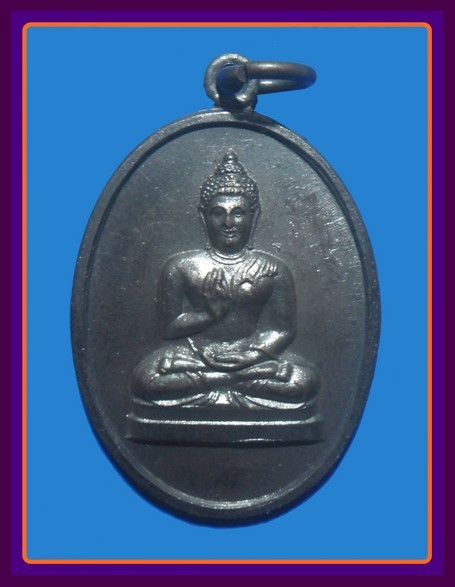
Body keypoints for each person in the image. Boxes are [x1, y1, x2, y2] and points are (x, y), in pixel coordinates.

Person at [132, 151, 319, 409]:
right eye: (218, 213)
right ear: (203, 216)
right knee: (146, 379)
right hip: (193, 356)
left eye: (238, 213)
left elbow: (282, 329)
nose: (228, 222)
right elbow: (167, 328)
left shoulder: (273, 269)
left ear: (253, 216)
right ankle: (232, 381)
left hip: (251, 357)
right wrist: (208, 315)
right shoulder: (181, 266)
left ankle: (220, 382)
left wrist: (252, 355)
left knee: (304, 381)